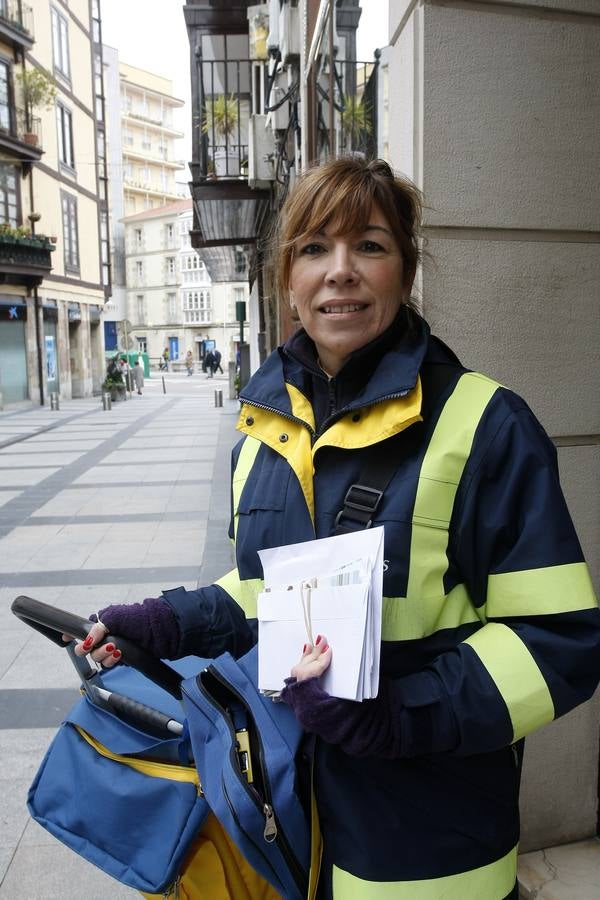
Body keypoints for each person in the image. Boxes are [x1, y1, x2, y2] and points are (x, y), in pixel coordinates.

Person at [74, 157, 600, 900]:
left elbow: (558, 641)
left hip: (425, 843)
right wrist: (165, 621)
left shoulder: (485, 424)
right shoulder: (263, 430)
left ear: (406, 269)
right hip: (285, 816)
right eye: (316, 248)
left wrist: (394, 716)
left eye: (371, 246)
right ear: (287, 277)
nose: (340, 271)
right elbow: (269, 591)